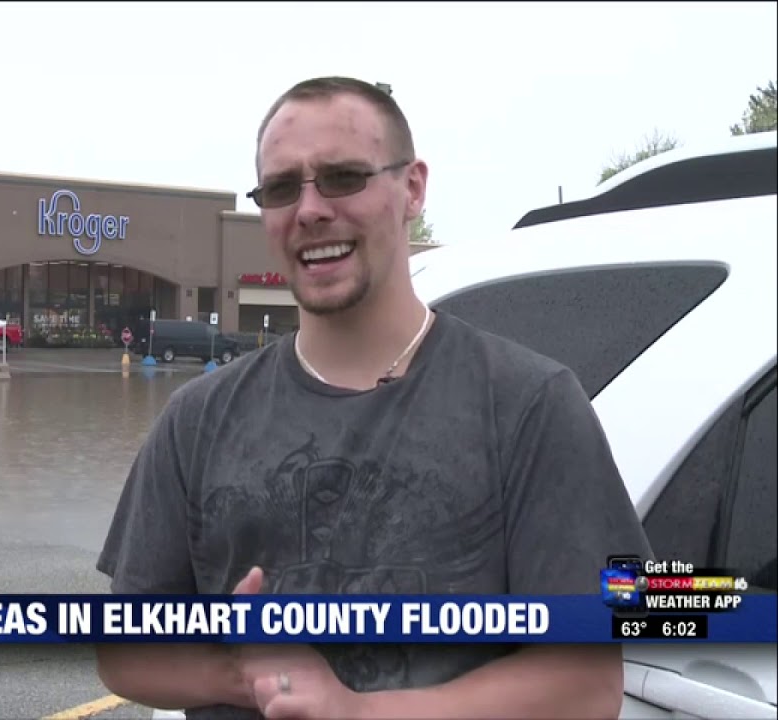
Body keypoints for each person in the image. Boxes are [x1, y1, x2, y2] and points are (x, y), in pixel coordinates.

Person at [94, 76, 654, 719]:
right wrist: (246, 674)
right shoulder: (196, 420)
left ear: (412, 187)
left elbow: (585, 688)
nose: (309, 210)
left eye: (342, 177)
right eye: (281, 188)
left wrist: (354, 710)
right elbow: (124, 652)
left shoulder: (529, 406)